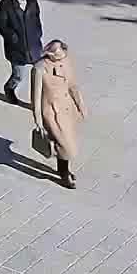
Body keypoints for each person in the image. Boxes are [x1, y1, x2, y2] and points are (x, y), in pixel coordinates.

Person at [33, 40, 87, 189]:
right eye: (58, 56)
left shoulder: (65, 61)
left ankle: (63, 169)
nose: (62, 58)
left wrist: (80, 104)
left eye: (63, 55)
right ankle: (64, 176)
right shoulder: (39, 69)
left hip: (67, 109)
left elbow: (72, 85)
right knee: (67, 146)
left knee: (65, 142)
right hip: (51, 112)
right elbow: (36, 98)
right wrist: (38, 119)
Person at [0, 0, 42, 106]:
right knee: (18, 76)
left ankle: (40, 101)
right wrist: (11, 37)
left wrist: (38, 32)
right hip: (17, 49)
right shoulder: (5, 4)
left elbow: (36, 17)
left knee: (41, 74)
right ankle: (9, 88)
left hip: (34, 45)